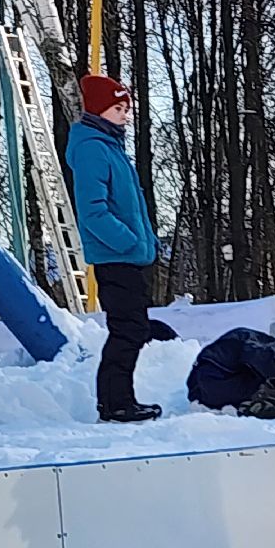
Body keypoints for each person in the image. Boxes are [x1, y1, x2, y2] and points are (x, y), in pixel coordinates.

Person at [67, 74, 160, 423]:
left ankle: (118, 400)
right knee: (129, 329)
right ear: (98, 109)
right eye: (118, 108)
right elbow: (94, 211)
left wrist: (145, 242)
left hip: (127, 256)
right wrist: (129, 242)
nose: (125, 115)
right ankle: (116, 402)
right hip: (115, 257)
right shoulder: (93, 149)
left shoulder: (110, 147)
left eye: (126, 108)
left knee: (131, 328)